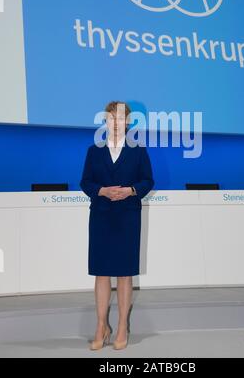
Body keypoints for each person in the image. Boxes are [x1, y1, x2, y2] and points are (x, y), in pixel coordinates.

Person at [80, 101, 154, 350]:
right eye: (111, 118)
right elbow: (85, 182)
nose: (116, 122)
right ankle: (101, 325)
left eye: (121, 118)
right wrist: (101, 190)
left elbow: (147, 181)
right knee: (101, 273)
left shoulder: (138, 151)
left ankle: (122, 325)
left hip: (127, 216)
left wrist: (131, 191)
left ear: (128, 122)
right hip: (101, 215)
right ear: (105, 121)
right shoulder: (94, 150)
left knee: (124, 273)